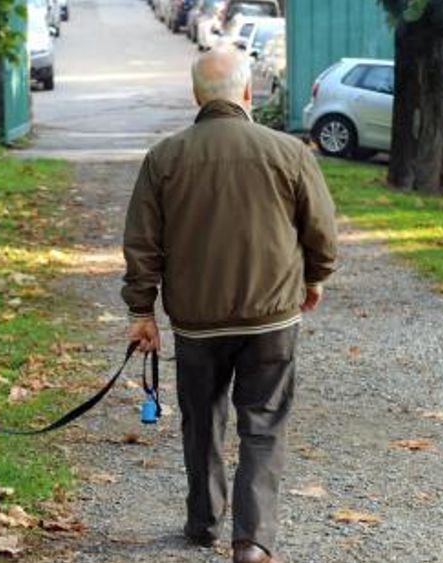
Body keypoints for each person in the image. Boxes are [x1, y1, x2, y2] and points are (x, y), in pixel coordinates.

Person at [121, 49, 337, 563]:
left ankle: (203, 521)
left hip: (196, 324)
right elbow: (322, 234)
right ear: (247, 93)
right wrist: (316, 277)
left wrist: (141, 312)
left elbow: (142, 243)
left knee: (201, 420)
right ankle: (254, 541)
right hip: (272, 319)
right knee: (263, 423)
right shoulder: (288, 152)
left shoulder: (165, 159)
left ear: (197, 96)